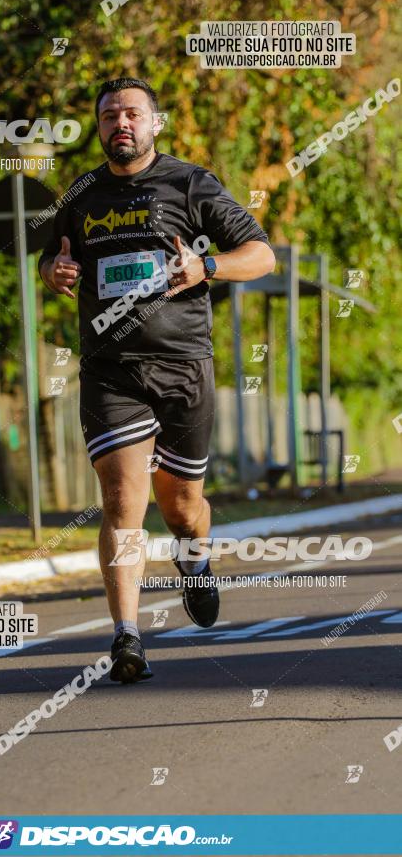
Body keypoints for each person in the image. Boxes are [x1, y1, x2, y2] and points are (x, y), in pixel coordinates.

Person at [38, 78, 275, 683]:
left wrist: (208, 265)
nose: (122, 122)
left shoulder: (191, 184)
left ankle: (194, 563)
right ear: (99, 127)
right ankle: (127, 637)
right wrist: (56, 271)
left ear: (155, 123)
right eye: (110, 114)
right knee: (122, 500)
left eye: (133, 113)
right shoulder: (82, 194)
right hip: (110, 370)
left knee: (183, 506)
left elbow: (262, 255)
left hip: (183, 367)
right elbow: (54, 258)